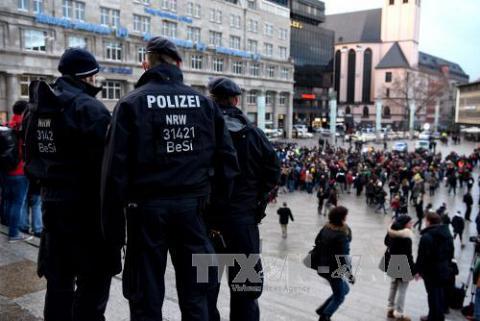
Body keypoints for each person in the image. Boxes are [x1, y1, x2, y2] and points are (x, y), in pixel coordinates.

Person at [100, 38, 239, 321]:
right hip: (193, 212)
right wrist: (213, 217)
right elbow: (227, 164)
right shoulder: (204, 104)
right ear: (179, 64)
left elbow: (113, 174)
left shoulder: (131, 104)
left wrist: (113, 234)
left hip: (145, 214)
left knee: (145, 295)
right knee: (197, 295)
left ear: (145, 63)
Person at [24, 48, 119, 321]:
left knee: (59, 280)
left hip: (52, 204)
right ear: (88, 76)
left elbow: (30, 156)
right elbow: (109, 165)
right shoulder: (90, 109)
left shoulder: (39, 105)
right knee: (94, 281)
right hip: (87, 208)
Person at [205, 77, 280, 321]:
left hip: (207, 224)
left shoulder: (202, 132)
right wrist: (256, 199)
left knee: (204, 291)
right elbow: (273, 171)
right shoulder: (255, 135)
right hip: (243, 226)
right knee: (246, 291)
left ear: (211, 99)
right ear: (236, 100)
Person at [315, 206, 354, 321]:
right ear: (342, 218)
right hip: (333, 270)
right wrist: (349, 275)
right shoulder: (342, 235)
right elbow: (344, 257)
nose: (347, 217)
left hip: (322, 266)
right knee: (340, 297)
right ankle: (325, 316)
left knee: (345, 289)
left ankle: (322, 309)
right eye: (345, 215)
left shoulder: (326, 228)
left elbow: (317, 241)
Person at [415, 212, 454, 321]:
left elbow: (421, 257)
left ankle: (434, 317)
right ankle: (435, 315)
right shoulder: (447, 234)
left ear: (428, 221)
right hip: (444, 269)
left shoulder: (427, 236)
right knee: (439, 294)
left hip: (431, 272)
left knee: (433, 295)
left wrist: (418, 271)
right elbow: (451, 252)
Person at [4, 100, 31, 242]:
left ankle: (9, 227)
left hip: (6, 170)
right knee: (17, 203)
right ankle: (14, 233)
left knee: (9, 201)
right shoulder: (24, 126)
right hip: (19, 170)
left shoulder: (8, 125)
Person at [383, 215, 415, 321]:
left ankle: (390, 308)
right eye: (410, 222)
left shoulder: (392, 231)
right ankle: (399, 313)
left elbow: (386, 242)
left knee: (393, 285)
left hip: (393, 260)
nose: (412, 224)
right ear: (405, 223)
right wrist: (413, 270)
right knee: (402, 289)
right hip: (403, 263)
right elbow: (408, 255)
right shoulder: (406, 236)